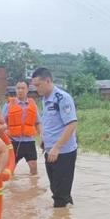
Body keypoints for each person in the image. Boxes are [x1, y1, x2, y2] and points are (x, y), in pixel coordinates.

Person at [32, 67, 78, 208]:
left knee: (60, 195)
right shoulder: (45, 100)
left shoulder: (62, 98)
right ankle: (66, 215)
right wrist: (45, 141)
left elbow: (72, 124)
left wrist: (57, 147)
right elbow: (51, 123)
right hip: (50, 151)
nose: (36, 89)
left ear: (47, 81)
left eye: (38, 85)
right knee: (56, 190)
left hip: (63, 153)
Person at [2, 80, 41, 175]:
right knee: (10, 170)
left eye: (23, 88)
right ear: (15, 90)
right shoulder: (8, 105)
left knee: (34, 170)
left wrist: (43, 137)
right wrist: (5, 132)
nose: (20, 90)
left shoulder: (33, 105)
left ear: (27, 90)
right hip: (13, 142)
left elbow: (38, 122)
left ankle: (33, 188)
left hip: (29, 141)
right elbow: (2, 122)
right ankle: (11, 188)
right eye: (18, 88)